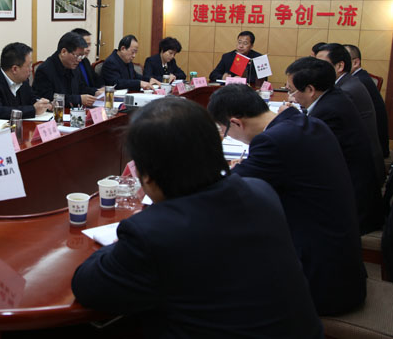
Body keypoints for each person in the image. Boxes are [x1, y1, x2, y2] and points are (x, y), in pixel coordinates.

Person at [72, 98, 323, 338]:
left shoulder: (153, 232)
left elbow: (87, 286)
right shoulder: (261, 192)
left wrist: (123, 241)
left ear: (147, 176)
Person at [208, 83, 366, 315]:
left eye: (225, 131)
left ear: (236, 123)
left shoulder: (272, 142)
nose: (227, 136)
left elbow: (224, 193)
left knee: (219, 275)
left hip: (320, 282)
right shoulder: (306, 123)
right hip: (343, 265)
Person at [284, 57, 383, 235]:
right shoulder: (332, 97)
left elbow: (306, 156)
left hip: (351, 206)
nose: (290, 96)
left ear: (310, 90)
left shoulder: (329, 111)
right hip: (348, 188)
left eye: (291, 90)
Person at [316, 43, 385, 185]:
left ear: (339, 66)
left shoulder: (346, 91)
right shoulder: (347, 82)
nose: (315, 69)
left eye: (321, 64)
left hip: (359, 171)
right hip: (361, 161)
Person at [0, 42, 52, 119]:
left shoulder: (23, 80)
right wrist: (33, 110)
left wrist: (45, 104)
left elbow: (31, 99)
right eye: (29, 66)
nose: (31, 69)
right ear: (15, 69)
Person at [33, 31, 102, 107]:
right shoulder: (45, 70)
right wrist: (79, 99)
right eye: (77, 56)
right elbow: (49, 99)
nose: (79, 60)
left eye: (82, 56)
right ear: (64, 52)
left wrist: (95, 92)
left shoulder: (73, 65)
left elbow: (81, 87)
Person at [345, 43, 389, 158]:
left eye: (342, 61)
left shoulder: (357, 82)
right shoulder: (360, 77)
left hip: (373, 150)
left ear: (355, 62)